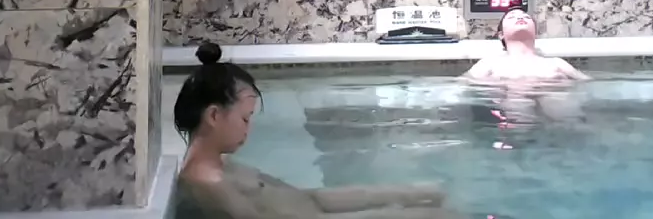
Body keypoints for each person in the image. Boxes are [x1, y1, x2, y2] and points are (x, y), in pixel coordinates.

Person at [174, 42, 466, 219]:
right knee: (439, 215)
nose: (248, 129)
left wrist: (404, 194)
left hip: (313, 207)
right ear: (214, 116)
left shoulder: (222, 166)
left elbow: (308, 198)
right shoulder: (211, 187)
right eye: (245, 118)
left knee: (430, 194)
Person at [463, 8, 591, 83]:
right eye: (512, 17)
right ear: (501, 34)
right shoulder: (489, 64)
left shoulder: (556, 63)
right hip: (510, 98)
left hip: (555, 95)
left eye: (526, 17)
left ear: (536, 31)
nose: (520, 18)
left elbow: (588, 83)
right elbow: (460, 86)